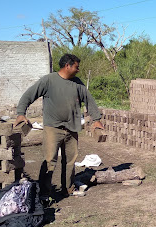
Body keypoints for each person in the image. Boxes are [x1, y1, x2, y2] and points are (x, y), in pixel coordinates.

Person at [14, 54, 104, 201]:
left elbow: (89, 100)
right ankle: (44, 193)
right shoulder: (49, 80)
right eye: (76, 66)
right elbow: (28, 95)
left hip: (72, 128)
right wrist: (20, 114)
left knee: (70, 161)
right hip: (53, 128)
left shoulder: (77, 83)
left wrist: (97, 119)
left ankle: (67, 189)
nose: (78, 69)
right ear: (67, 66)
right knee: (50, 160)